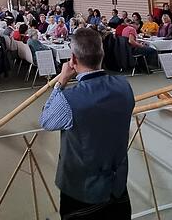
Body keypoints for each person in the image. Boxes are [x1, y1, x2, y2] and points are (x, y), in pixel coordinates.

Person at [40, 29, 135, 219]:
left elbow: (46, 120)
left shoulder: (68, 100)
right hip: (117, 184)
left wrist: (61, 82)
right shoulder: (124, 86)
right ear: (102, 54)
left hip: (81, 189)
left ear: (73, 59)